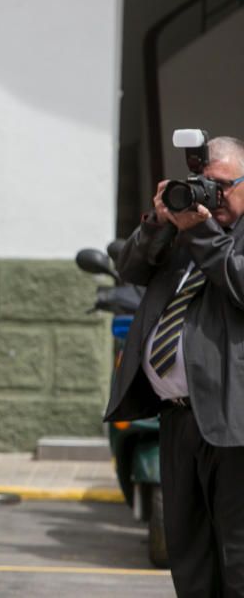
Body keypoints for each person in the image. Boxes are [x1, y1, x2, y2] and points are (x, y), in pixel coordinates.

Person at [105, 135, 244, 597]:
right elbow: (131, 269)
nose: (213, 197)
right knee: (189, 557)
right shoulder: (187, 234)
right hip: (179, 418)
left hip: (233, 422)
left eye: (224, 186)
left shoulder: (213, 235)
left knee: (237, 558)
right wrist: (161, 223)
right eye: (207, 185)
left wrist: (200, 231)